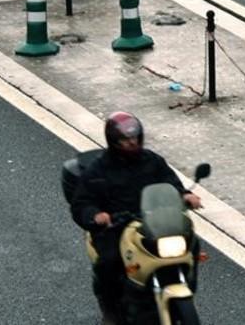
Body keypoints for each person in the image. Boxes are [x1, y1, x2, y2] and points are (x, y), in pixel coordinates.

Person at [71, 112, 202, 325]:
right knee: (109, 262)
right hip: (116, 227)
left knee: (192, 243)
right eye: (125, 140)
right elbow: (82, 203)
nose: (132, 143)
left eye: (135, 138)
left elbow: (171, 183)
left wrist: (186, 195)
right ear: (114, 142)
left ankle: (188, 284)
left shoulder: (152, 161)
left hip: (152, 223)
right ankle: (111, 310)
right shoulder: (98, 170)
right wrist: (96, 215)